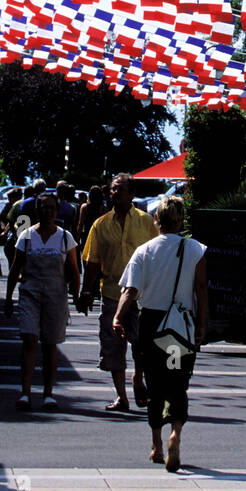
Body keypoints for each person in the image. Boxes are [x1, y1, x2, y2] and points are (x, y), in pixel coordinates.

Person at [114, 197, 207, 471]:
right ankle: (175, 434)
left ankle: (156, 445)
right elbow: (201, 290)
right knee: (178, 383)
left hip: (152, 324)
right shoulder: (196, 250)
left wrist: (118, 317)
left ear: (157, 220)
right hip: (180, 328)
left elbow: (130, 290)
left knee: (155, 386)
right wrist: (202, 324)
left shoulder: (144, 250)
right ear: (181, 221)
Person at [78, 173, 158, 411]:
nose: (115, 193)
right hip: (112, 293)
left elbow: (157, 255)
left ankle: (138, 378)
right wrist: (85, 291)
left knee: (142, 345)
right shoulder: (100, 224)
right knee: (113, 348)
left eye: (120, 189)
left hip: (141, 296)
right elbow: (92, 261)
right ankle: (121, 397)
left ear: (131, 194)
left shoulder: (146, 222)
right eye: (112, 189)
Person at [3, 192, 80, 411]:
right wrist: (8, 298)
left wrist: (77, 297)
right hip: (31, 293)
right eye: (44, 208)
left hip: (56, 296)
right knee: (29, 340)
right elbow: (15, 268)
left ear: (57, 211)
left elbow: (74, 272)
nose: (48, 212)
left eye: (52, 208)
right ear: (38, 209)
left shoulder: (65, 237)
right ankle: (25, 392)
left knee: (50, 344)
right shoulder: (26, 236)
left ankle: (48, 394)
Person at [77, 184, 106, 250]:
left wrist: (77, 239)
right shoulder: (103, 208)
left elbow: (80, 224)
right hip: (99, 236)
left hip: (87, 235)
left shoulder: (85, 207)